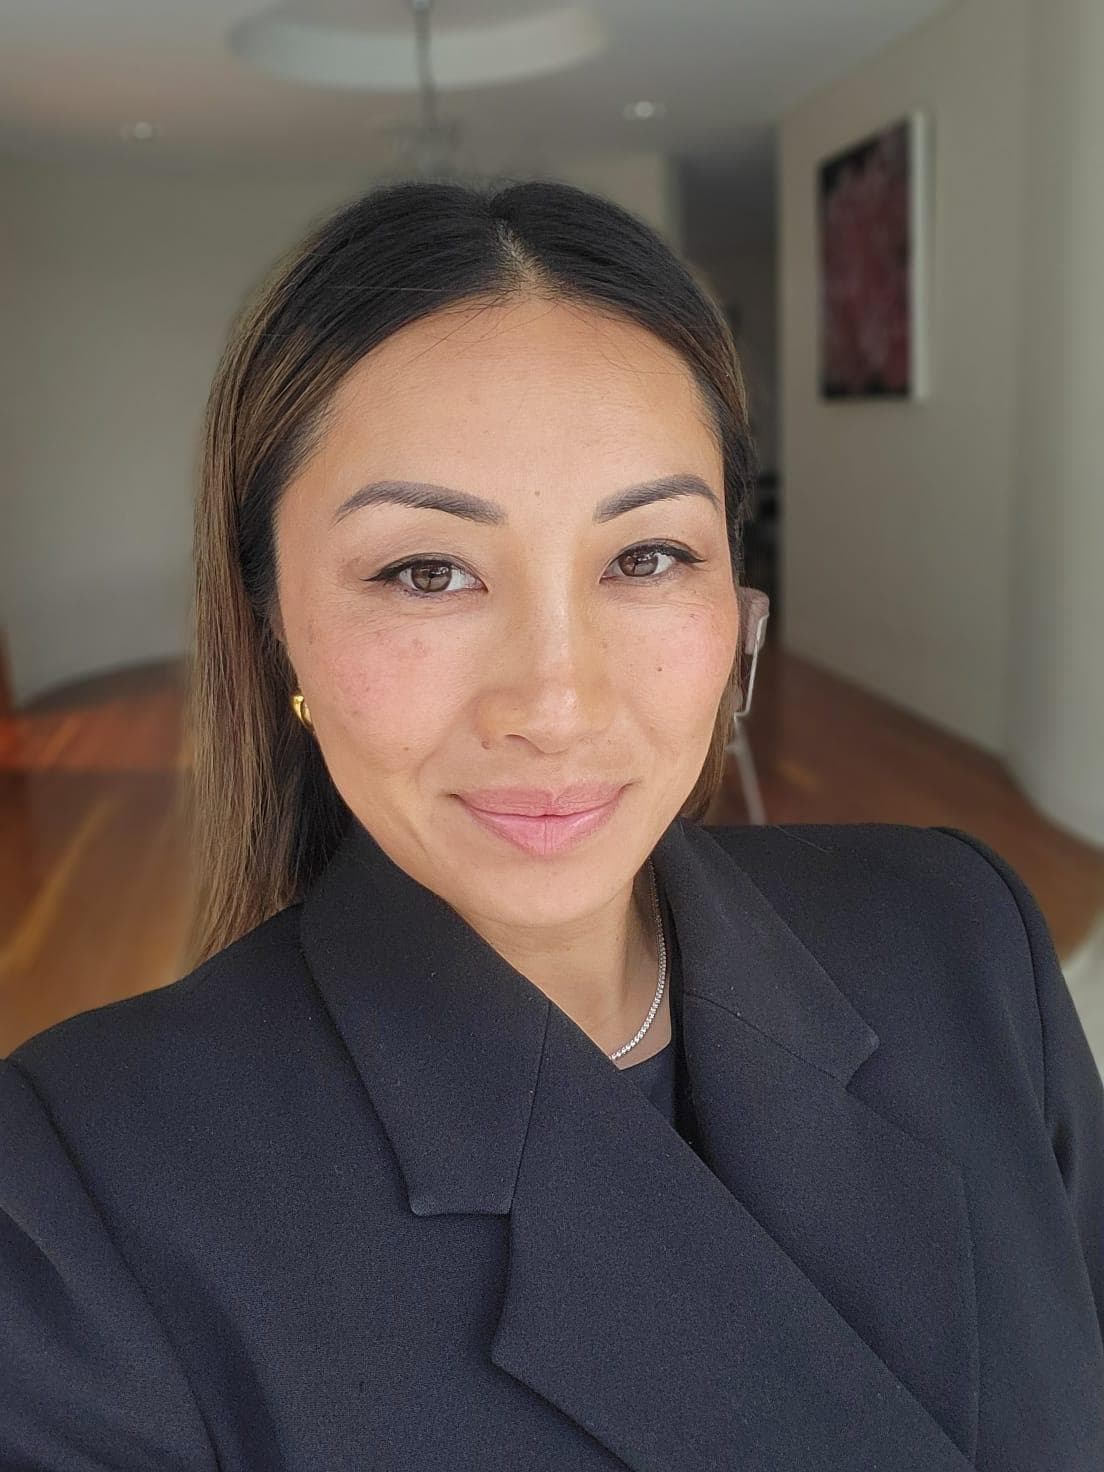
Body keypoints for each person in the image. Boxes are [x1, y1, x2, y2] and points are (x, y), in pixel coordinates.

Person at [1, 178, 1102, 1472]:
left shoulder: (961, 939)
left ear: (734, 596)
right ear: (274, 624)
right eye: (427, 571)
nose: (558, 705)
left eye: (647, 557)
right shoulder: (77, 1200)